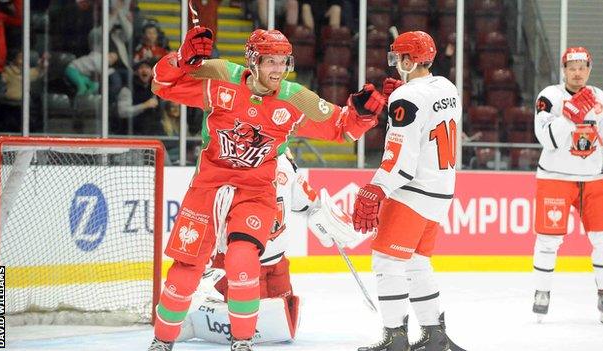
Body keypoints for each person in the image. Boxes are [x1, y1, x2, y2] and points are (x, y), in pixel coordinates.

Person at [148, 26, 385, 351]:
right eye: (270, 61)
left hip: (256, 191)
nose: (278, 69)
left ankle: (243, 342)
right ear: (253, 60)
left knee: (242, 259)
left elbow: (342, 130)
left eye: (283, 61)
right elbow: (162, 84)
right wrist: (180, 58)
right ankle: (162, 341)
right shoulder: (219, 76)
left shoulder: (295, 98)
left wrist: (363, 116)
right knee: (185, 270)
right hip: (209, 184)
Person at [176, 147, 364, 345]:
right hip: (240, 263)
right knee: (255, 328)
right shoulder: (231, 165)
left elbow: (307, 202)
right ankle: (192, 319)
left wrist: (326, 218)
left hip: (277, 261)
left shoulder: (284, 165)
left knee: (286, 325)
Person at [352, 31, 464, 351]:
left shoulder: (407, 97)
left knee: (387, 261)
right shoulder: (446, 86)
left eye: (397, 58)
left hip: (412, 190)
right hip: (441, 190)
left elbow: (401, 155)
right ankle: (434, 335)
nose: (394, 64)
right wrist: (404, 91)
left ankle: (395, 338)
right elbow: (428, 118)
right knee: (417, 262)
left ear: (407, 60)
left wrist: (378, 188)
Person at [531, 46, 603, 324]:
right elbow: (547, 140)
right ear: (564, 70)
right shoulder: (549, 97)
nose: (577, 73)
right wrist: (568, 115)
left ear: (589, 69)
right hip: (555, 177)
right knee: (548, 242)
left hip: (593, 179)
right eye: (572, 68)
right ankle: (541, 293)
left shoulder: (602, 99)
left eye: (582, 67)